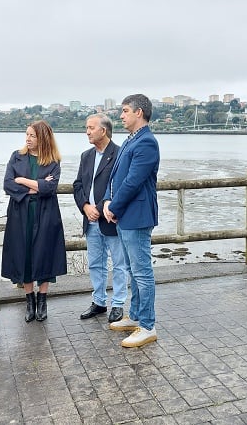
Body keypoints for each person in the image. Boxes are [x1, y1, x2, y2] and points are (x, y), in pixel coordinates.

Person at [103, 94, 160, 348]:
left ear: (139, 112)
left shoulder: (147, 142)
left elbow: (133, 182)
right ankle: (135, 316)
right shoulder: (131, 140)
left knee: (142, 272)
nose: (121, 115)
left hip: (136, 216)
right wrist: (107, 202)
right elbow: (116, 177)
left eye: (125, 110)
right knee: (133, 272)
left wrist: (113, 207)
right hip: (125, 214)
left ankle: (147, 325)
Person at [2, 120, 67, 322]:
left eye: (32, 135)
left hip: (46, 213)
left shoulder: (53, 161)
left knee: (44, 253)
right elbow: (7, 185)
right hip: (20, 213)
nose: (28, 139)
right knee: (24, 255)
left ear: (43, 138)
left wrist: (22, 180)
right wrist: (35, 186)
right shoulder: (17, 156)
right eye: (27, 134)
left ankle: (42, 300)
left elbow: (49, 189)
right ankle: (29, 300)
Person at [73, 113, 127, 323]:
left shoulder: (120, 154)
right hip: (91, 220)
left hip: (111, 219)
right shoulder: (86, 156)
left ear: (103, 130)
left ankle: (119, 303)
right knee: (96, 263)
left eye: (91, 128)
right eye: (86, 127)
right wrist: (86, 207)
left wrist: (100, 207)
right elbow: (78, 186)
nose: (87, 131)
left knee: (119, 264)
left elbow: (121, 186)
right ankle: (99, 302)